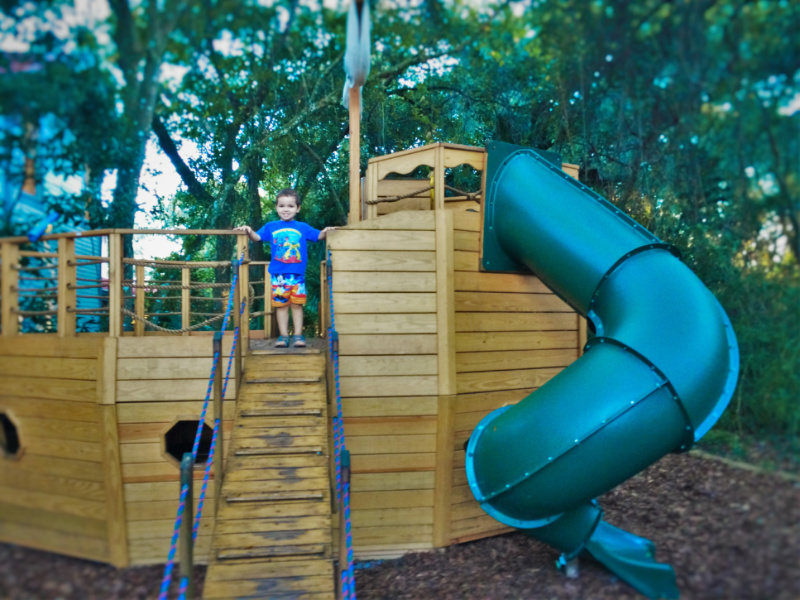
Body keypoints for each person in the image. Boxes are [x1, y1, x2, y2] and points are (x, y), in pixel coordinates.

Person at [234, 188, 336, 348]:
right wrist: (248, 230)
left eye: (290, 206)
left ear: (298, 208)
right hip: (278, 275)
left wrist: (327, 231)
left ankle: (298, 336)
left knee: (297, 305)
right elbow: (257, 238)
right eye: (282, 206)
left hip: (297, 275)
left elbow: (319, 236)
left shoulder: (302, 227)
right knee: (281, 306)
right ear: (276, 208)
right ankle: (283, 336)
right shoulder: (271, 226)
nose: (286, 209)